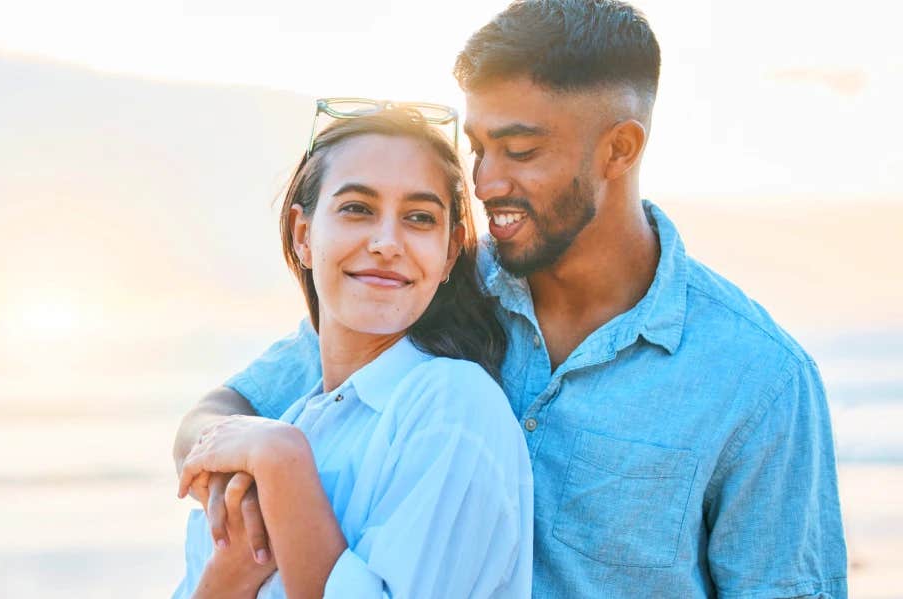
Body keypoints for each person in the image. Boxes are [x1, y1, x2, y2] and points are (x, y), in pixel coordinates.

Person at [173, 0, 847, 597]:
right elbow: (228, 414)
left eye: (520, 150)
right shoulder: (432, 285)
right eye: (478, 148)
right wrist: (240, 496)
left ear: (620, 148)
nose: (487, 181)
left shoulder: (759, 381)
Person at [172, 108, 534, 598]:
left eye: (419, 218)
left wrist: (284, 464)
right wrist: (231, 574)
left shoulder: (454, 407)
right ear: (303, 235)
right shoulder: (288, 420)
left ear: (448, 254)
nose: (387, 243)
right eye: (357, 209)